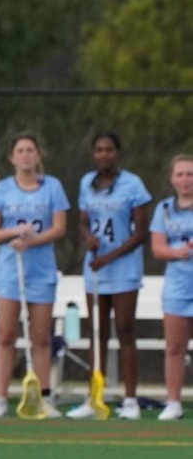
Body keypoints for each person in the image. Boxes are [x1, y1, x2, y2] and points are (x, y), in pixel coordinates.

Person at [0, 133, 69, 418]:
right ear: (12, 157)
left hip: (41, 272)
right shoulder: (2, 190)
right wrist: (14, 233)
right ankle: (0, 398)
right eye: (20, 150)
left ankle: (43, 396)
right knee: (6, 334)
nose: (26, 155)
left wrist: (33, 240)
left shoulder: (52, 187)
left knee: (41, 337)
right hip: (9, 271)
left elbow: (59, 228)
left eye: (31, 150)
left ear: (39, 154)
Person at [65, 132, 151, 420]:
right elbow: (83, 221)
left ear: (117, 153)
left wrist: (109, 257)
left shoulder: (133, 184)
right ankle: (94, 398)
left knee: (125, 331)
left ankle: (130, 400)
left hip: (123, 270)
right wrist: (88, 237)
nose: (104, 154)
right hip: (95, 271)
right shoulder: (86, 183)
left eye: (109, 149)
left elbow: (141, 232)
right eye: (99, 150)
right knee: (96, 334)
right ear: (93, 153)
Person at [149, 155, 193, 421]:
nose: (186, 180)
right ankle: (173, 401)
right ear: (172, 179)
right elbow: (157, 248)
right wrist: (177, 252)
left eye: (190, 174)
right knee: (174, 347)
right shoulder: (164, 209)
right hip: (177, 287)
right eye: (180, 174)